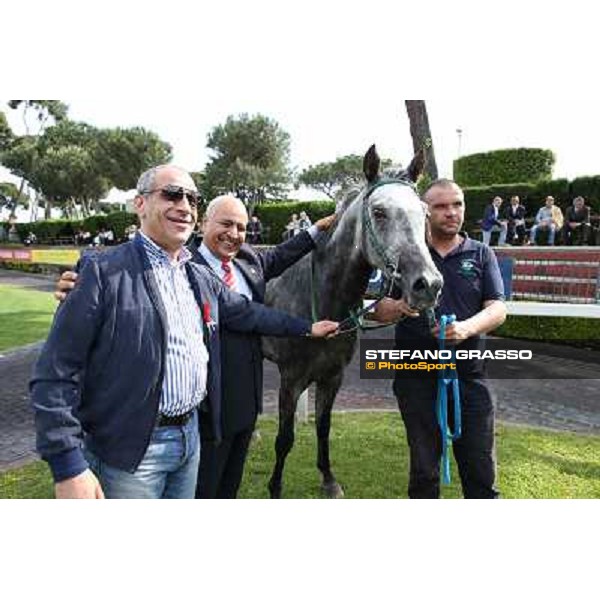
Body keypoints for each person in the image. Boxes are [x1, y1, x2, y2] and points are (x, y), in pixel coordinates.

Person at [34, 164, 338, 500]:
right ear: (140, 204)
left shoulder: (197, 277)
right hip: (134, 449)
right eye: (172, 194)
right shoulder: (101, 272)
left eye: (191, 199)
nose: (184, 205)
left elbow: (250, 312)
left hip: (191, 437)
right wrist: (67, 464)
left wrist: (307, 327)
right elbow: (55, 373)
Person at [373, 179, 506, 499]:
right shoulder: (405, 255)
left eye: (457, 204)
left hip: (469, 378)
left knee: (480, 467)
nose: (451, 212)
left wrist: (467, 328)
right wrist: (398, 306)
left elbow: (498, 308)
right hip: (416, 377)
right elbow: (377, 310)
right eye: (441, 206)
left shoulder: (481, 253)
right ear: (425, 211)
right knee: (424, 469)